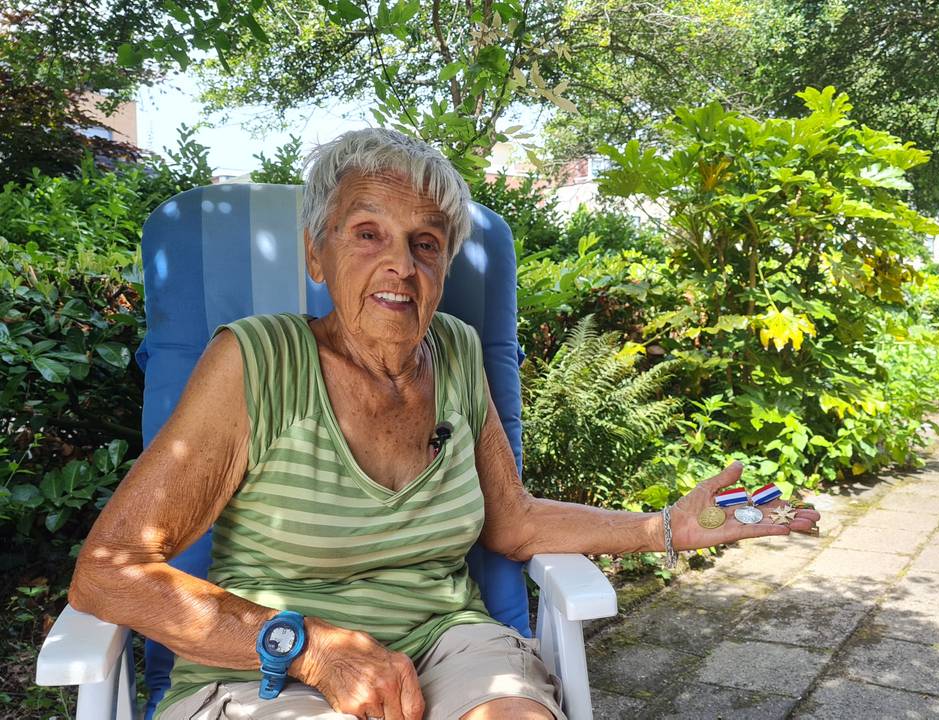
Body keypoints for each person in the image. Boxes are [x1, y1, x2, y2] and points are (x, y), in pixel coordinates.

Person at [69, 128, 820, 720]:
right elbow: (108, 572)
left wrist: (664, 528)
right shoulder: (255, 360)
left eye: (425, 243)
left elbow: (512, 523)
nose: (401, 265)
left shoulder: (455, 351)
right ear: (317, 255)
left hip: (446, 642)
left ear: (443, 266)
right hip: (271, 666)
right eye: (368, 233)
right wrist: (310, 649)